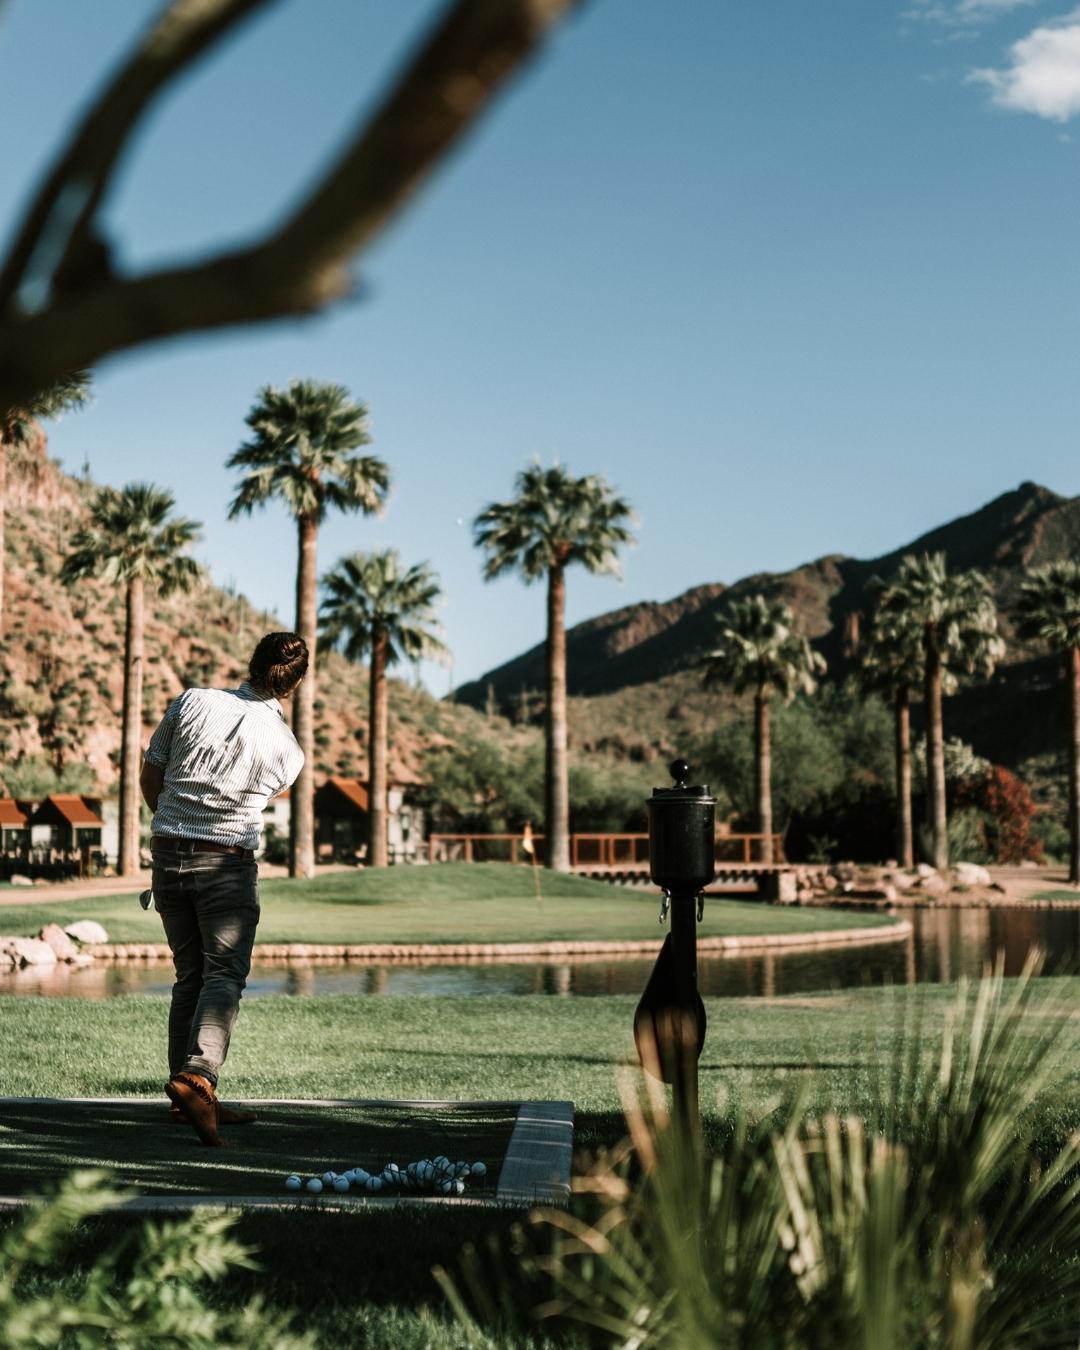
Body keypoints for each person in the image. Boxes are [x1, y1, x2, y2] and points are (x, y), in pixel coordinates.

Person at [139, 632, 307, 1147]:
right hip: (227, 865)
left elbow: (152, 775)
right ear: (295, 683)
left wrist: (175, 825)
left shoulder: (192, 701)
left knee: (190, 975)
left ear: (252, 663)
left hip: (169, 855)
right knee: (224, 975)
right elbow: (272, 791)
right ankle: (199, 1078)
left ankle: (184, 1099)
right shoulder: (287, 748)